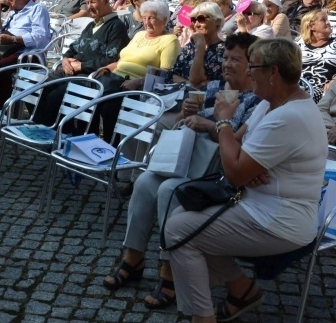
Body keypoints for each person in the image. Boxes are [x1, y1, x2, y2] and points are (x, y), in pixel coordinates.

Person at [165, 38, 327, 322]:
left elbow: (235, 169)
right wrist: (243, 164)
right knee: (184, 216)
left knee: (179, 229)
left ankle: (202, 316)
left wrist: (224, 122)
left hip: (281, 221)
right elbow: (237, 152)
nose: (249, 73)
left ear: (273, 73)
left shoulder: (289, 116)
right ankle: (241, 289)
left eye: (253, 67)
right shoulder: (272, 104)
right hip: (258, 206)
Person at [102, 33, 261, 310]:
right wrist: (185, 114)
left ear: (251, 65)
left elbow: (244, 145)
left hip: (219, 173)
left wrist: (210, 125)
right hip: (187, 161)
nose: (227, 64)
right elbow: (180, 124)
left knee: (168, 190)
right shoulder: (212, 88)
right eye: (225, 57)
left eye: (236, 59)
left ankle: (169, 270)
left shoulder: (254, 101)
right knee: (145, 182)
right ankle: (133, 255)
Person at [34, 0, 130, 126]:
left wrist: (81, 66)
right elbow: (73, 48)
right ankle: (44, 127)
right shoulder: (91, 25)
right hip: (71, 72)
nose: (89, 6)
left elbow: (111, 59)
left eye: (93, 2)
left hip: (90, 76)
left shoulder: (116, 27)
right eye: (88, 2)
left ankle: (59, 133)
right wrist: (66, 59)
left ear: (106, 1)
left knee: (56, 95)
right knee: (36, 88)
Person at [93, 0, 179, 139]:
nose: (146, 22)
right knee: (91, 92)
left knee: (107, 103)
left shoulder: (170, 40)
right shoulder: (139, 35)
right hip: (115, 78)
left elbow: (164, 73)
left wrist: (138, 82)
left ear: (164, 20)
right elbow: (122, 60)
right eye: (144, 18)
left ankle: (110, 144)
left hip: (137, 86)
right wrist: (107, 68)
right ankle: (89, 136)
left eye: (151, 18)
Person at [0, 0, 51, 106]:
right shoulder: (12, 13)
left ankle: (4, 105)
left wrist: (14, 39)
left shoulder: (37, 9)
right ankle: (9, 100)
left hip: (28, 53)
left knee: (0, 68)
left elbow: (40, 36)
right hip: (7, 50)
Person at [297, 10, 336, 102]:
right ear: (311, 26)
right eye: (323, 20)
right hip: (299, 86)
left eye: (327, 19)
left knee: (303, 100)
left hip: (325, 89)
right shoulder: (300, 44)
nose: (328, 22)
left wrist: (335, 81)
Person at [166, 2, 225, 88]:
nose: (196, 24)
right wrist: (190, 85)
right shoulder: (191, 46)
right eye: (194, 20)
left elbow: (196, 79)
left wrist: (201, 47)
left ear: (217, 21)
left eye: (201, 19)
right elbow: (171, 75)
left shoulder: (224, 51)